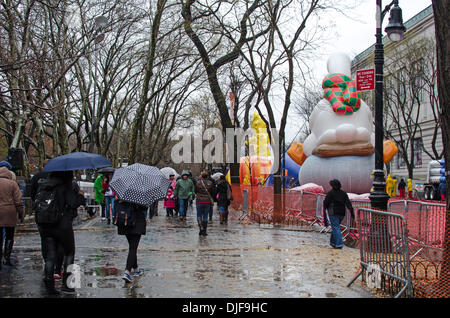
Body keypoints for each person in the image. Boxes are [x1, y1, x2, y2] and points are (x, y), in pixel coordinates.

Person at [36, 171, 83, 295]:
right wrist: (79, 195)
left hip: (45, 224)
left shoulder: (43, 185)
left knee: (50, 255)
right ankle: (67, 284)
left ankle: (49, 283)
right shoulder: (65, 187)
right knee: (69, 252)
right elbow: (73, 203)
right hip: (62, 225)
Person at [116, 201, 146, 284]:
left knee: (132, 247)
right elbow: (144, 207)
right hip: (136, 223)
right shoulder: (139, 194)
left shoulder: (123, 194)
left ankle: (136, 269)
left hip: (125, 222)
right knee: (133, 248)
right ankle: (127, 272)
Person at [0, 166, 24, 270]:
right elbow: (18, 200)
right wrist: (20, 213)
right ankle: (7, 258)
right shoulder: (12, 184)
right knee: (10, 236)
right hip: (10, 212)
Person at [323, 179, 354, 249]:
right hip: (342, 213)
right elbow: (348, 203)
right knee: (335, 227)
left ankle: (339, 243)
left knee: (336, 228)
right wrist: (352, 213)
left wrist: (325, 208)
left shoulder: (331, 193)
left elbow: (326, 202)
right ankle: (333, 243)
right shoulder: (344, 193)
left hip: (333, 212)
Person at [194, 171, 216, 236]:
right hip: (207, 201)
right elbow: (212, 192)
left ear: (201, 176)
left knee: (199, 215)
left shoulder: (198, 183)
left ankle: (201, 228)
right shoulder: (210, 183)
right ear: (207, 176)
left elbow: (195, 191)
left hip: (199, 201)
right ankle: (204, 231)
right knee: (205, 216)